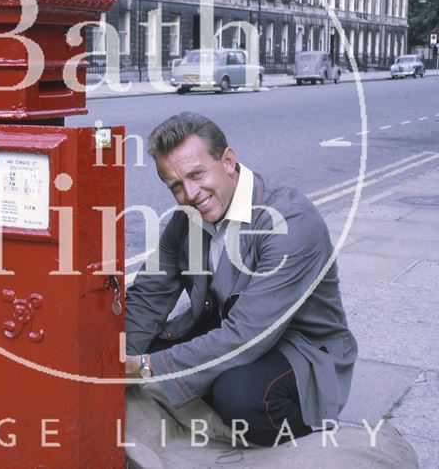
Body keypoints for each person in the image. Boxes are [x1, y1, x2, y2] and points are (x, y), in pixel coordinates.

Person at [124, 112, 357, 447]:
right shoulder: (185, 220)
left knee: (240, 396)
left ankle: (303, 428)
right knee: (142, 351)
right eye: (176, 185)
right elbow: (148, 298)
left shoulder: (289, 221)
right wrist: (116, 360)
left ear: (228, 161)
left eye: (197, 174)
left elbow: (248, 336)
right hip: (226, 328)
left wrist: (143, 368)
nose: (190, 193)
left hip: (297, 346)